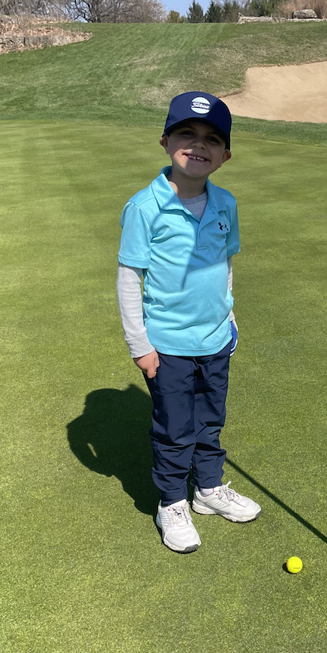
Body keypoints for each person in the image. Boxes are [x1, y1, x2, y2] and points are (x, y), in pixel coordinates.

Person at [116, 91, 261, 552]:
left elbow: (224, 265)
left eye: (212, 139)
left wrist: (229, 317)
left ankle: (208, 489)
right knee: (175, 429)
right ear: (165, 141)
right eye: (186, 133)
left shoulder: (225, 204)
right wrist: (139, 344)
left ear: (226, 155)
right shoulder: (145, 207)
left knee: (210, 420)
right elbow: (129, 278)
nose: (198, 145)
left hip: (216, 339)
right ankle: (172, 502)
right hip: (168, 346)